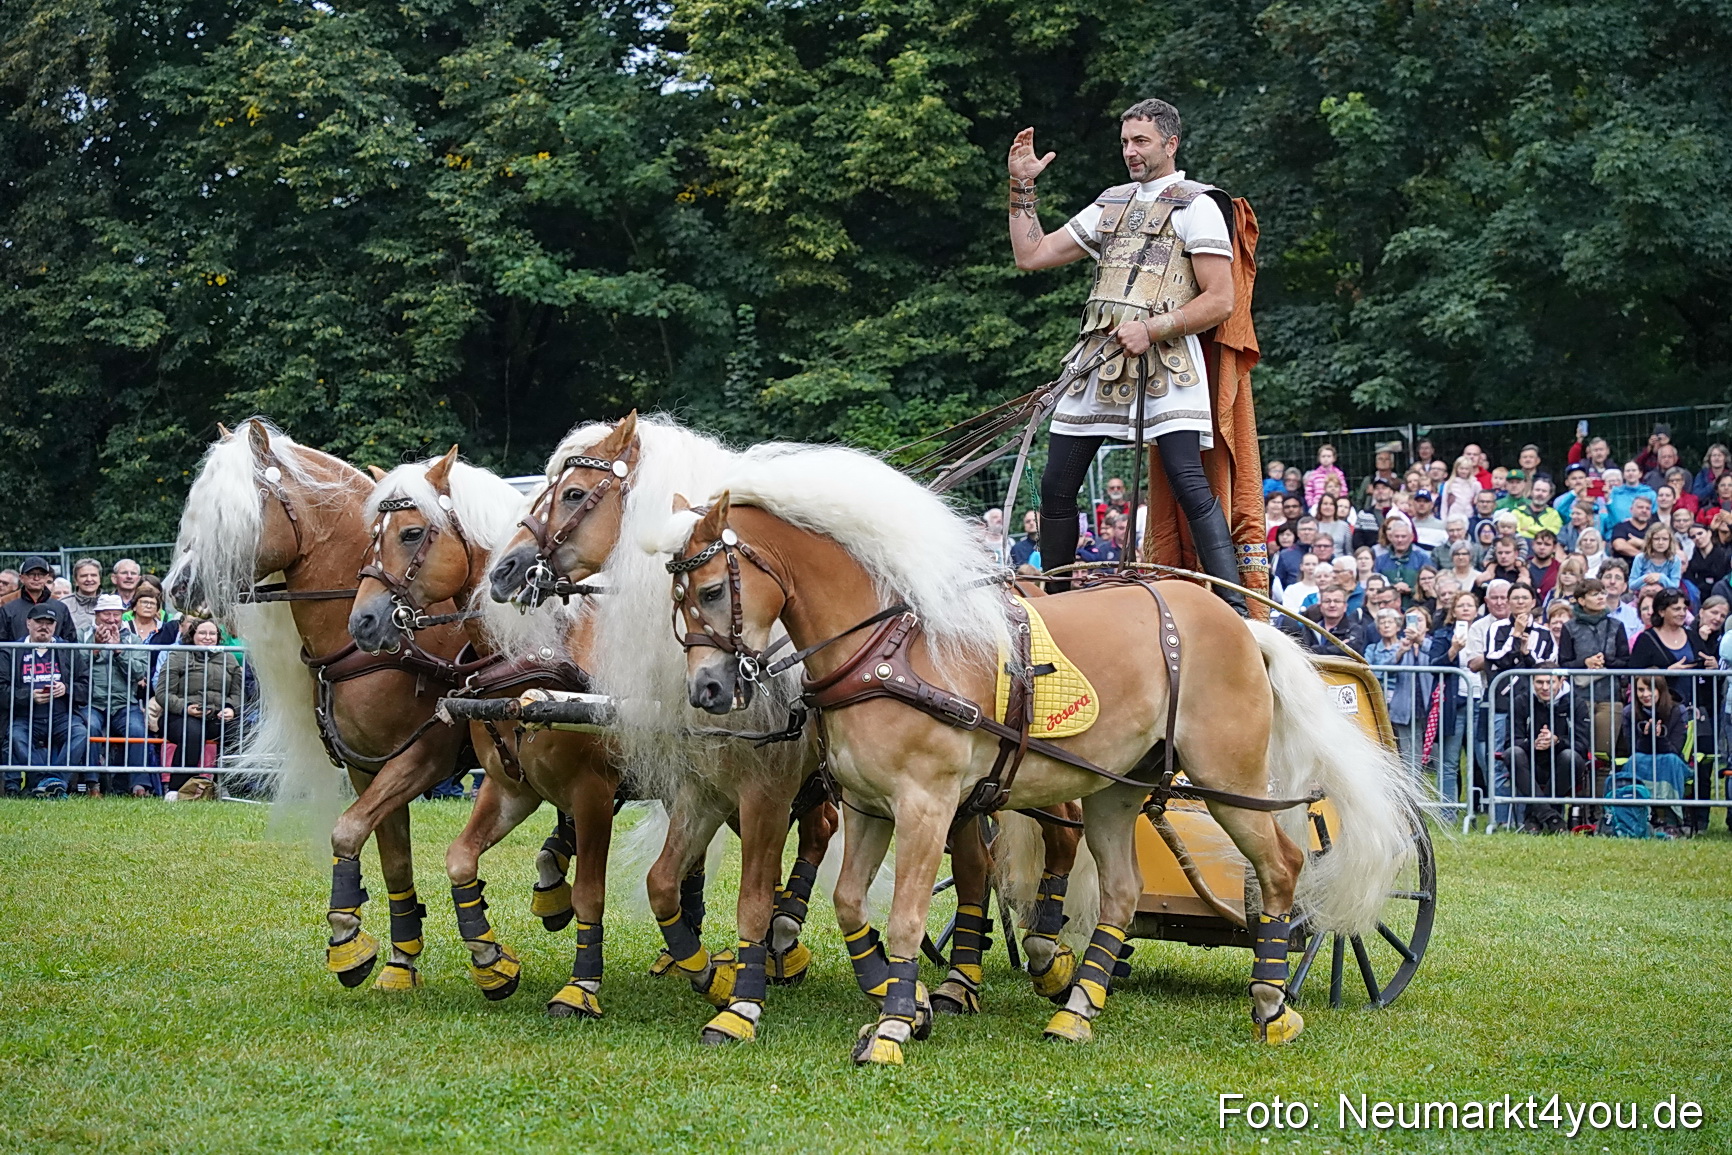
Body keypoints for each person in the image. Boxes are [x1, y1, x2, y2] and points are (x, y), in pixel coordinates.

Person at [1009, 99, 1244, 609]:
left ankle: (1238, 609)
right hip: (1096, 357)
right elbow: (1031, 255)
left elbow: (1220, 300)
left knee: (1188, 482)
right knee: (1056, 485)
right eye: (1124, 142)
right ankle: (1057, 604)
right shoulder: (1111, 204)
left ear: (1170, 143)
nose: (1130, 151)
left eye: (1141, 141)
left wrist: (1154, 328)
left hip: (1167, 361)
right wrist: (1022, 187)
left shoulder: (1197, 204)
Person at [2, 603, 92, 793]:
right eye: (39, 622)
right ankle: (47, 782)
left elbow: (86, 685)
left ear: (55, 626)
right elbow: (2, 689)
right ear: (28, 623)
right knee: (16, 737)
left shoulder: (68, 649)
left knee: (79, 733)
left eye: (49, 623)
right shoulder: (11, 650)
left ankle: (52, 780)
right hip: (25, 716)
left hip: (61, 716)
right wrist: (29, 696)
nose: (44, 627)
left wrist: (66, 689)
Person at [77, 594, 155, 796]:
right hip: (91, 702)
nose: (112, 620)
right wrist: (95, 647)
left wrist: (119, 651)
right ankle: (92, 784)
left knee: (137, 729)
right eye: (106, 614)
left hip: (124, 702)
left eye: (116, 615)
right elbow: (75, 668)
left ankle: (139, 786)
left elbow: (139, 672)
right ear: (96, 615)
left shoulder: (133, 640)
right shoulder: (81, 635)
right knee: (90, 727)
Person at [157, 618, 245, 784]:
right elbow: (162, 693)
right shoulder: (177, 657)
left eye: (212, 634)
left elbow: (238, 693)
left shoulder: (229, 659)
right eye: (202, 633)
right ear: (192, 635)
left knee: (239, 731)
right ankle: (177, 787)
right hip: (180, 716)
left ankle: (230, 786)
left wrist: (231, 708)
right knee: (192, 732)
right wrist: (186, 707)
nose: (208, 637)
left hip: (216, 715)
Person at [1506, 673, 1592, 833]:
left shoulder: (1576, 703)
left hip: (1564, 766)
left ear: (1561, 681)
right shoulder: (1521, 701)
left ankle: (1534, 817)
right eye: (1539, 682)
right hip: (1531, 765)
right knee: (1512, 753)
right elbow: (1510, 741)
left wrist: (1557, 741)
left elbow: (1582, 745)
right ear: (1532, 682)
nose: (1545, 687)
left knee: (1570, 756)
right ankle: (1551, 817)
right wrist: (1533, 743)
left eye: (1550, 682)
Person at [1558, 577, 1629, 764]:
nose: (1601, 597)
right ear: (1581, 600)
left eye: (1602, 593)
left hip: (1610, 697)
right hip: (1580, 697)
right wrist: (1585, 662)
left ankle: (1601, 784)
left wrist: (1607, 661)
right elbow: (1563, 663)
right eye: (1594, 594)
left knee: (1603, 755)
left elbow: (1625, 661)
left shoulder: (1616, 626)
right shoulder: (1569, 627)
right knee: (1581, 750)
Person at [1615, 676, 1691, 838]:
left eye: (1651, 689)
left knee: (1670, 761)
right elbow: (1632, 749)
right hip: (1643, 758)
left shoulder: (1678, 711)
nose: (1645, 694)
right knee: (1634, 761)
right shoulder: (1629, 712)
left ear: (1661, 690)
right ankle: (1636, 818)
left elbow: (1675, 749)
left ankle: (1671, 821)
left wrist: (1659, 737)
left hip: (1672, 760)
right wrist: (1646, 736)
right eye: (1641, 690)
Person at [1364, 607, 1430, 771]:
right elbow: (1372, 672)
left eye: (1390, 622)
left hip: (1405, 699)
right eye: (1382, 622)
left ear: (1399, 626)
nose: (1386, 625)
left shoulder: (1408, 645)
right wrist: (1399, 653)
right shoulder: (1373, 649)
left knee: (1415, 749)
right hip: (1381, 700)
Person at [1629, 588, 1711, 703]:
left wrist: (1712, 665)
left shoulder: (1692, 636)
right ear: (1661, 612)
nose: (1682, 613)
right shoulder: (1646, 639)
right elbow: (1634, 675)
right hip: (1659, 707)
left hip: (1692, 705)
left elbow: (1704, 666)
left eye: (1684, 609)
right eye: (1676, 609)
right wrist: (1666, 672)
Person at [0, 556, 77, 643]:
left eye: (41, 574)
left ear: (47, 577)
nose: (36, 578)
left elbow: (70, 641)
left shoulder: (61, 608)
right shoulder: (8, 609)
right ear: (21, 578)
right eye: (31, 574)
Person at [1373, 514, 1424, 608]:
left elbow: (1428, 585)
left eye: (1403, 536)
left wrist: (1410, 590)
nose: (1400, 540)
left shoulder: (1422, 559)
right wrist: (1393, 588)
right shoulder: (1380, 561)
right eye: (1396, 536)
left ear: (1411, 537)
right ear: (1390, 537)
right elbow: (1375, 587)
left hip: (1416, 607)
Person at [1685, 517, 1731, 599]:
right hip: (1699, 596)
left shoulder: (1724, 554)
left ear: (1709, 533)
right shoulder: (1691, 557)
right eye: (1693, 537)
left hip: (1721, 595)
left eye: (1700, 533)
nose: (1697, 538)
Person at [1629, 523, 1682, 592]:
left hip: (1665, 596)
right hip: (1644, 594)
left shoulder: (1675, 560)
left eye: (1665, 539)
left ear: (1670, 541)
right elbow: (1632, 585)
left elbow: (1675, 586)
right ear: (1650, 541)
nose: (1660, 542)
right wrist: (1647, 577)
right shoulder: (1640, 558)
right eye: (1656, 539)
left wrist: (1660, 577)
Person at [1606, 462, 1658, 527]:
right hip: (1618, 529)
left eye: (1634, 470)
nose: (1630, 473)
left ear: (1640, 474)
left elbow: (1654, 515)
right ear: (1623, 475)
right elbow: (1610, 514)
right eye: (1628, 471)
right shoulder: (1614, 493)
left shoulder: (1650, 494)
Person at [62, 557, 104, 636]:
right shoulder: (64, 604)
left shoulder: (109, 603)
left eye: (93, 575)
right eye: (84, 576)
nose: (89, 579)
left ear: (100, 580)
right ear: (76, 581)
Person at [1608, 495, 1656, 561]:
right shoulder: (1621, 527)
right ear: (1631, 510)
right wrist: (1645, 556)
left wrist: (1639, 542)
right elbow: (1619, 546)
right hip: (1624, 566)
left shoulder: (1655, 529)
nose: (1644, 510)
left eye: (1648, 508)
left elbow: (1661, 548)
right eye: (1640, 507)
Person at [1302, 444, 1346, 512]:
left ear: (1334, 458)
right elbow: (1309, 492)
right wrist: (1312, 504)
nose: (1326, 459)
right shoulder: (1314, 474)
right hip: (1317, 505)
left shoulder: (1339, 474)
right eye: (1323, 456)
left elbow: (1343, 491)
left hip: (1335, 505)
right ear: (1319, 458)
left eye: (1329, 456)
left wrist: (1339, 503)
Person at [1439, 455, 1480, 524]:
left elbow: (1478, 500)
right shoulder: (1449, 484)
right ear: (1456, 469)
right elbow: (1444, 503)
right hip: (1453, 516)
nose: (1464, 471)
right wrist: (1443, 519)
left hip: (1469, 516)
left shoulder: (1475, 484)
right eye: (1461, 468)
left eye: (1466, 469)